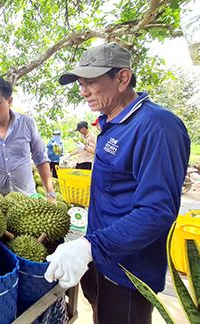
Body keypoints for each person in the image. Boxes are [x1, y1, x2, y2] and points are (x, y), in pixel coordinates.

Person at [44, 43, 190, 324]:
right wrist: (90, 248)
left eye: (91, 83)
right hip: (100, 261)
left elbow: (156, 212)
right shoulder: (111, 122)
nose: (83, 92)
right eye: (81, 84)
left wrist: (90, 246)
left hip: (128, 273)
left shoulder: (158, 127)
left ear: (122, 79)